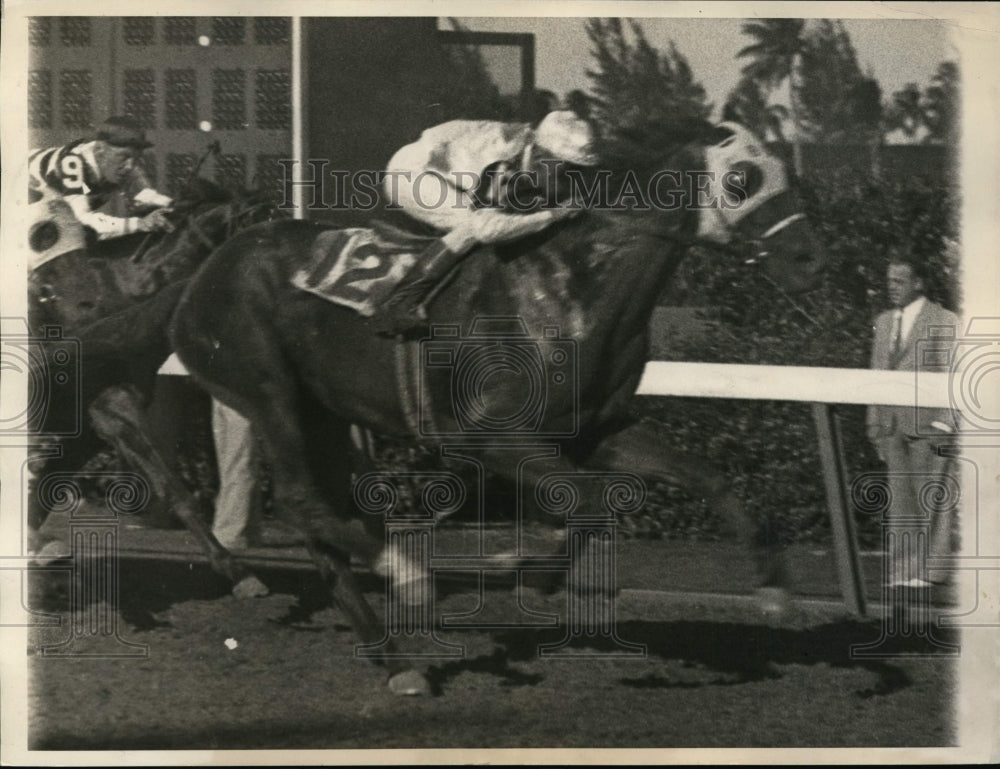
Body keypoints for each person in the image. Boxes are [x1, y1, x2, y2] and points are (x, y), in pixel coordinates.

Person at [377, 109, 597, 333]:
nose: (567, 175)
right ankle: (399, 304)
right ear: (543, 154)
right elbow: (486, 230)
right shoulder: (501, 160)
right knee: (471, 228)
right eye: (565, 167)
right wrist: (553, 215)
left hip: (441, 167)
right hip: (409, 174)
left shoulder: (531, 144)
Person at [867, 250, 959, 588]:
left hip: (930, 426)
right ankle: (905, 571)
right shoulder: (884, 322)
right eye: (889, 280)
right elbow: (875, 374)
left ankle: (932, 571)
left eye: (899, 280)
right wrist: (874, 424)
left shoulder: (943, 320)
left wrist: (945, 423)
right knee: (901, 502)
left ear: (918, 282)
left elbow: (956, 374)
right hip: (892, 425)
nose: (892, 286)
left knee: (931, 499)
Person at [29, 115, 175, 240]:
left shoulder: (119, 164)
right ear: (99, 149)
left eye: (136, 159)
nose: (131, 166)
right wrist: (139, 224)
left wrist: (173, 205)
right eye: (124, 157)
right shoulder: (72, 163)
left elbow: (145, 195)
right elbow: (83, 221)